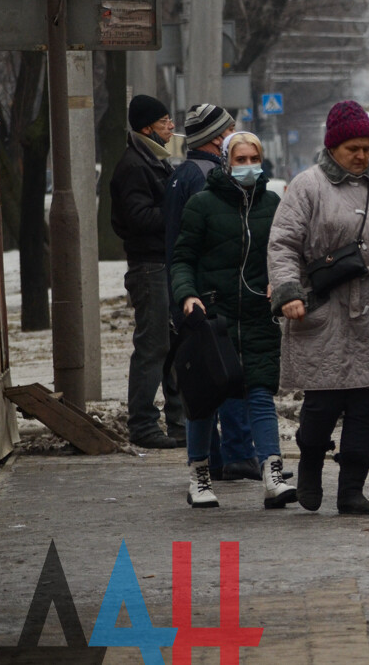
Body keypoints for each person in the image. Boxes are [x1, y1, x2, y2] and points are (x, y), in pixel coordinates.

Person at [267, 100, 369, 516]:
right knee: (322, 402)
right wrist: (289, 293)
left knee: (365, 404)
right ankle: (311, 472)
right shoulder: (307, 186)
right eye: (354, 147)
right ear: (333, 147)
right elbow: (282, 245)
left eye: (367, 148)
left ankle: (352, 489)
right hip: (323, 309)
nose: (362, 156)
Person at [170, 131, 294, 510]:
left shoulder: (273, 204)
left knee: (260, 394)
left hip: (258, 317)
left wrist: (280, 283)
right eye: (240, 159)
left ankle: (272, 473)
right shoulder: (202, 205)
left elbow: (285, 254)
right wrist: (187, 295)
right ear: (226, 162)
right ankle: (200, 476)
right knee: (205, 400)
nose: (248, 166)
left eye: (253, 158)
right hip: (214, 319)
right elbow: (182, 258)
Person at [164, 102, 258, 479]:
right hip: (211, 294)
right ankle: (237, 454)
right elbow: (216, 239)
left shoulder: (179, 174)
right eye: (230, 131)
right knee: (230, 374)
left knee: (202, 379)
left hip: (186, 292)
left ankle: (214, 458)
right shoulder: (208, 178)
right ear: (217, 137)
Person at [110, 94, 185, 449]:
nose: (171, 126)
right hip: (149, 267)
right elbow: (138, 219)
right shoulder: (135, 165)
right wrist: (176, 210)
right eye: (165, 121)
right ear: (146, 128)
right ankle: (143, 424)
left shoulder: (153, 160)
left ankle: (179, 424)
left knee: (171, 346)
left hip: (161, 264)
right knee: (154, 346)